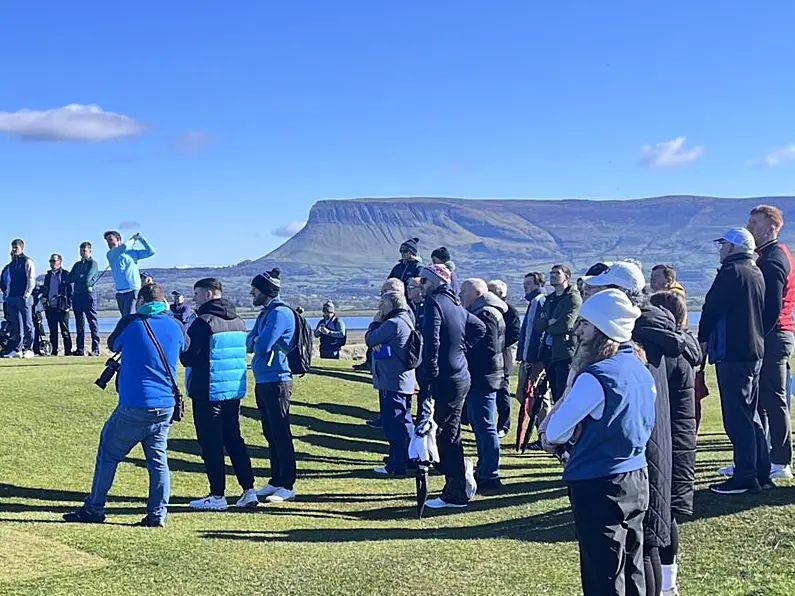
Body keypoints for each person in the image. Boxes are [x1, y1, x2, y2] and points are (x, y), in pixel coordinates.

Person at [541, 288, 654, 596]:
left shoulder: (596, 376)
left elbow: (554, 432)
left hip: (598, 482)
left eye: (585, 325)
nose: (577, 330)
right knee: (632, 567)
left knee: (602, 573)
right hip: (636, 477)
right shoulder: (640, 370)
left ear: (603, 330)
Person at [582, 260, 678, 596]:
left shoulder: (634, 331)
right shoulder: (651, 327)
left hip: (634, 442)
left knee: (641, 543)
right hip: (643, 437)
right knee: (642, 541)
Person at [63, 283, 186, 526]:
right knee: (158, 460)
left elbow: (113, 345)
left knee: (108, 454)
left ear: (141, 300)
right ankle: (157, 514)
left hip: (135, 403)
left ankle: (94, 508)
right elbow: (186, 347)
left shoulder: (131, 323)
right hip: (165, 405)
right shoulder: (175, 325)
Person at [699, 228, 770, 495]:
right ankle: (760, 471)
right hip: (755, 351)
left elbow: (710, 307)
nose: (720, 250)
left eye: (723, 245)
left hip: (734, 352)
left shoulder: (731, 272)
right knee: (751, 415)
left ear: (732, 247)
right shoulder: (755, 271)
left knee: (737, 416)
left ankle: (745, 476)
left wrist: (703, 338)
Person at [180, 278, 258, 511]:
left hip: (208, 389)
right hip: (233, 390)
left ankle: (217, 495)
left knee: (210, 443)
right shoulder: (239, 321)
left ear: (209, 294)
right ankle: (248, 488)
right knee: (234, 439)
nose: (195, 298)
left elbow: (189, 356)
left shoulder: (203, 322)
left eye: (197, 293)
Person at [417, 263, 485, 509]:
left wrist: (429, 373)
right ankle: (457, 481)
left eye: (425, 281)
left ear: (435, 282)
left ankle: (455, 490)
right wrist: (461, 350)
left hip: (445, 378)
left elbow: (432, 341)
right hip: (460, 374)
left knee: (445, 433)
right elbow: (479, 327)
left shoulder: (435, 303)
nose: (422, 286)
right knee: (450, 431)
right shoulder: (455, 304)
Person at [649, 290, 701, 596]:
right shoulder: (683, 350)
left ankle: (665, 584)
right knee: (667, 513)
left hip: (667, 437)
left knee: (660, 515)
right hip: (681, 437)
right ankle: (669, 581)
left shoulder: (666, 354)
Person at [746, 204, 795, 480]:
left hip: (774, 334)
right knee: (767, 397)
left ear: (772, 227)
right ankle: (762, 456)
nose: (750, 226)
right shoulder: (769, 254)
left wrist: (757, 334)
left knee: (774, 397)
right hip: (775, 333)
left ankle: (780, 459)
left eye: (755, 222)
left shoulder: (774, 258)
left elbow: (772, 306)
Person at [247, 268, 298, 503]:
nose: (251, 293)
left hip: (278, 379)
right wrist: (257, 339)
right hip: (264, 379)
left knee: (280, 431)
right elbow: (250, 342)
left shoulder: (279, 314)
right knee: (269, 432)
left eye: (255, 290)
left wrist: (258, 340)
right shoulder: (265, 314)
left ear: (265, 291)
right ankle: (276, 479)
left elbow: (261, 345)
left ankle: (287, 483)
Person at [460, 278, 507, 491]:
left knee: (485, 426)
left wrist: (464, 351)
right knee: (481, 426)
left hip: (483, 377)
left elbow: (487, 347)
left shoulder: (486, 314)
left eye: (463, 291)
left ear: (476, 293)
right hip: (485, 376)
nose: (460, 295)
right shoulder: (487, 311)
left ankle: (490, 473)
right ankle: (485, 468)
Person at [365, 291, 417, 476]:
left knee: (394, 424)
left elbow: (370, 339)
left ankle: (397, 465)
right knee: (404, 421)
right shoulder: (406, 319)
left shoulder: (393, 323)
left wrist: (375, 324)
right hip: (401, 379)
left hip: (393, 381)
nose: (380, 308)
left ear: (392, 306)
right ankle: (408, 458)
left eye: (383, 305)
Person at [534, 264, 582, 402]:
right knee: (554, 394)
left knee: (563, 393)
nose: (553, 276)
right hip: (548, 352)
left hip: (564, 353)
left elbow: (566, 325)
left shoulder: (573, 298)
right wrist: (551, 321)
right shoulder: (550, 299)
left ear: (566, 277)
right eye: (551, 273)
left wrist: (548, 324)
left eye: (557, 273)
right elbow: (538, 324)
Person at [516, 272, 549, 449]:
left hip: (533, 358)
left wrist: (529, 358)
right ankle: (542, 432)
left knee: (533, 395)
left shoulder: (538, 301)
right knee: (527, 395)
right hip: (532, 357)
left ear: (537, 284)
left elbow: (532, 333)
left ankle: (544, 434)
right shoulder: (536, 302)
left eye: (528, 284)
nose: (525, 287)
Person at [488, 279, 522, 438]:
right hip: (488, 357)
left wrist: (498, 345)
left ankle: (504, 425)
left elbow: (515, 334)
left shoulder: (511, 312)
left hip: (504, 355)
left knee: (502, 390)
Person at [104, 231, 155, 316]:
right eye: (107, 241)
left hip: (132, 290)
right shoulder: (110, 254)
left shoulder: (132, 253)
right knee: (125, 317)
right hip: (120, 292)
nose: (109, 243)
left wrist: (140, 239)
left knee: (129, 317)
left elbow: (151, 251)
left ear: (118, 240)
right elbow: (124, 247)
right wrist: (133, 239)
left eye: (111, 240)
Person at [0, 239, 35, 358]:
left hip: (24, 297)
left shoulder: (27, 261)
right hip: (12, 297)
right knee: (16, 324)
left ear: (21, 248)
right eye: (13, 247)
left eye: (16, 247)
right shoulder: (11, 264)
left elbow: (31, 280)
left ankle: (29, 348)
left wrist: (26, 294)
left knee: (27, 323)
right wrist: (8, 294)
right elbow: (9, 281)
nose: (14, 250)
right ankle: (18, 348)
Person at [69, 241, 101, 356]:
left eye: (85, 250)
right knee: (79, 323)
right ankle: (80, 349)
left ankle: (95, 349)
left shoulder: (93, 263)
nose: (82, 252)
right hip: (77, 295)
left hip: (88, 295)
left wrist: (79, 278)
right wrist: (79, 277)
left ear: (90, 251)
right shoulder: (77, 265)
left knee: (92, 321)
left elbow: (87, 279)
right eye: (81, 250)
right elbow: (70, 277)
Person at [42, 253, 73, 356]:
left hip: (63, 307)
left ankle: (68, 352)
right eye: (50, 261)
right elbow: (46, 290)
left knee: (65, 331)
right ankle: (54, 352)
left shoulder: (66, 275)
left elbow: (70, 291)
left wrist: (68, 305)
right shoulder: (48, 276)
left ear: (60, 262)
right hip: (51, 307)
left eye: (54, 261)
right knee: (53, 332)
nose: (52, 263)